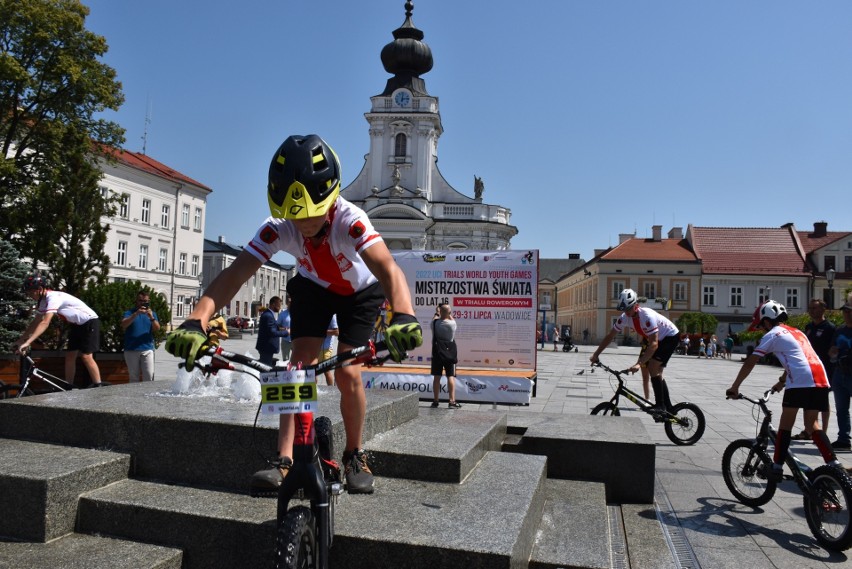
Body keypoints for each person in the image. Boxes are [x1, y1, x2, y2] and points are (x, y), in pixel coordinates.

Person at [165, 134, 422, 497]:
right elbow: (236, 273)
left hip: (360, 293)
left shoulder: (351, 220)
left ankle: (355, 453)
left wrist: (404, 314)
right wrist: (197, 319)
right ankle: (284, 458)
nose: (302, 225)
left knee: (348, 371)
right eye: (294, 216)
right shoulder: (278, 226)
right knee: (297, 367)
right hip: (313, 288)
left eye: (312, 216)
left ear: (329, 198)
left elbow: (388, 269)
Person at [726, 300, 840, 482]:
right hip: (820, 378)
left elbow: (750, 361)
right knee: (812, 426)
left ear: (767, 321)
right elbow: (798, 359)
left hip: (801, 382)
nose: (762, 328)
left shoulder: (773, 334)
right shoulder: (797, 332)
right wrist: (781, 383)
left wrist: (735, 387)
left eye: (762, 324)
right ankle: (835, 466)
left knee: (785, 424)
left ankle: (777, 467)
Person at [591, 289, 679, 413]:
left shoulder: (646, 316)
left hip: (670, 337)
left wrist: (639, 364)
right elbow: (610, 336)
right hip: (658, 339)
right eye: (624, 310)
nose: (625, 313)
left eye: (628, 309)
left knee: (653, 367)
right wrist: (596, 354)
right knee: (657, 371)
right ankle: (668, 406)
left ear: (635, 306)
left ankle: (661, 405)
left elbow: (654, 344)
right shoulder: (624, 317)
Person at [12, 273, 102, 386]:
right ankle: (68, 386)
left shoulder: (53, 297)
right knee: (70, 356)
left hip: (90, 322)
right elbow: (35, 322)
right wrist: (21, 339)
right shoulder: (42, 301)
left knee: (86, 356)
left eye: (31, 292)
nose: (29, 295)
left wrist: (28, 342)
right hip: (77, 325)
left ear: (40, 289)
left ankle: (98, 385)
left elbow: (45, 323)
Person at [793, 299, 836, 441]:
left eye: (815, 308)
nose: (811, 311)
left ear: (823, 309)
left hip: (824, 368)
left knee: (823, 400)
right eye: (810, 308)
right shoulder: (808, 327)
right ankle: (808, 430)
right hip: (808, 368)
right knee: (808, 399)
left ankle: (823, 431)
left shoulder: (830, 328)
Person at [121, 290, 161, 382]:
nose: (142, 303)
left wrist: (151, 317)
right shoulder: (129, 313)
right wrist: (136, 314)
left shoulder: (152, 314)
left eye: (145, 301)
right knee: (134, 376)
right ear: (136, 301)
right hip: (131, 349)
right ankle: (134, 396)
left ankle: (147, 395)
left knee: (149, 375)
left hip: (147, 349)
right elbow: (123, 325)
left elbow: (157, 328)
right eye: (140, 301)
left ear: (148, 301)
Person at [829, 294, 852, 451]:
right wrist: (832, 353)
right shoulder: (839, 330)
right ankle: (843, 439)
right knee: (841, 409)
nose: (847, 314)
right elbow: (831, 350)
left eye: (850, 311)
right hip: (840, 373)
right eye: (845, 311)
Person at [430, 303, 460, 409]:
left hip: (438, 353)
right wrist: (446, 312)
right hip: (450, 354)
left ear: (440, 312)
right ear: (449, 313)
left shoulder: (435, 323)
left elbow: (435, 318)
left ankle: (435, 401)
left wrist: (437, 312)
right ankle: (452, 401)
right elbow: (450, 317)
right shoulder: (452, 324)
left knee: (437, 377)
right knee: (450, 377)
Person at [255, 296, 287, 366]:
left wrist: (282, 329)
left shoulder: (268, 314)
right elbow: (272, 332)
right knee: (265, 368)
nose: (280, 307)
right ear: (273, 304)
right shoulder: (268, 315)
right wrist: (286, 332)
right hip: (267, 347)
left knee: (266, 366)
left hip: (266, 347)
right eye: (279, 305)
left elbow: (270, 328)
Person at [318, 315, 339, 386]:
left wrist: (322, 331)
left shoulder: (332, 315)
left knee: (326, 371)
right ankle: (314, 391)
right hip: (315, 347)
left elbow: (337, 332)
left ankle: (331, 390)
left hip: (326, 348)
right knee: (312, 371)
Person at [277, 296, 292, 362]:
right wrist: (284, 329)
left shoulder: (298, 313)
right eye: (289, 302)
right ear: (287, 303)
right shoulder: (282, 314)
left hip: (296, 340)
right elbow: (277, 327)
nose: (291, 303)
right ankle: (287, 372)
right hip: (286, 340)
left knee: (298, 360)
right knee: (285, 360)